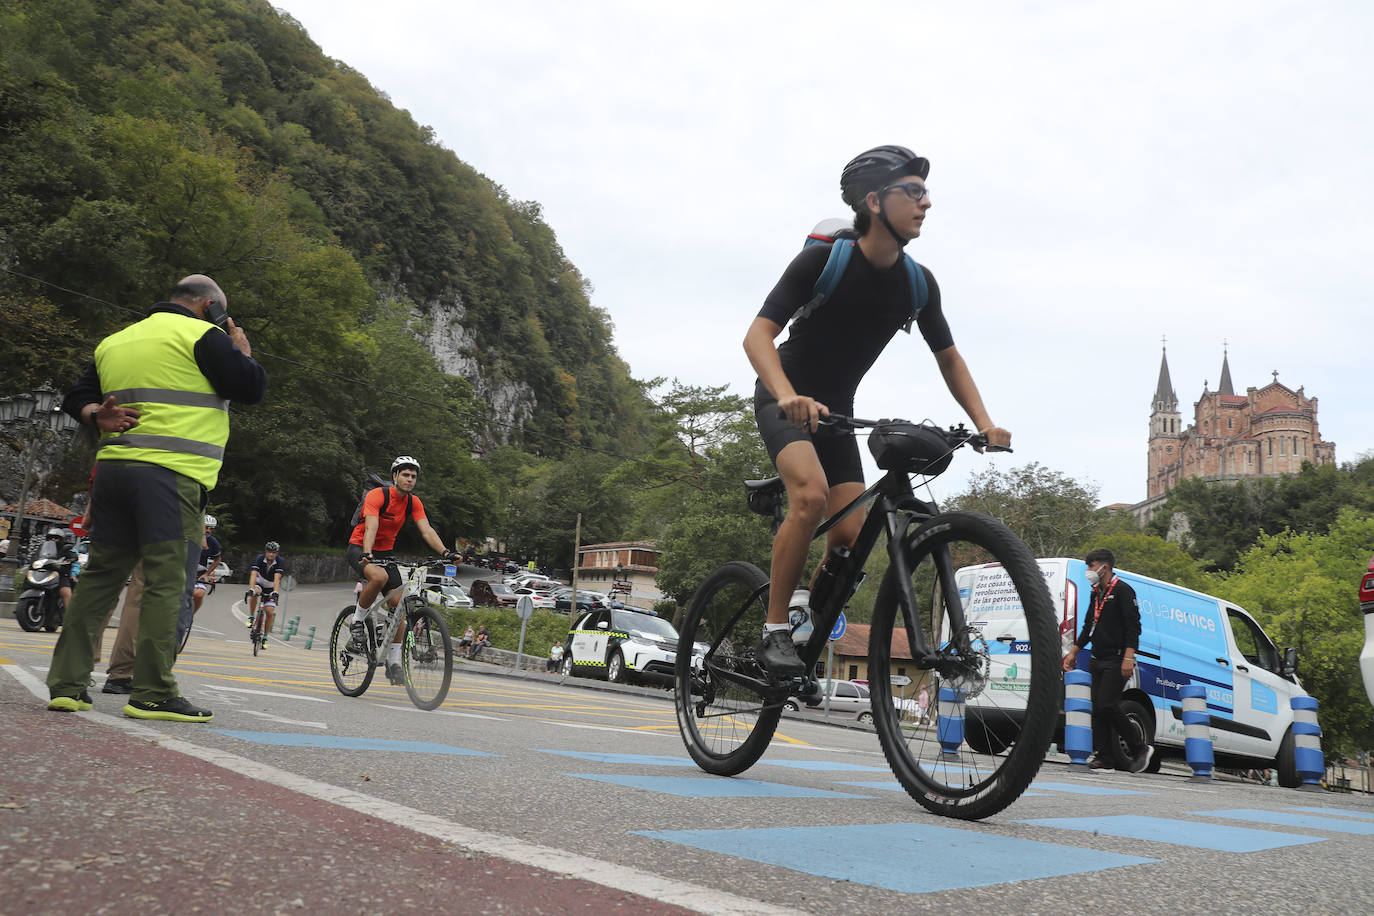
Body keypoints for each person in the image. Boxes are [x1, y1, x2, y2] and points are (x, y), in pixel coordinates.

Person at [743, 145, 1010, 679]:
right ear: (873, 200)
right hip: (786, 396)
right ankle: (773, 630)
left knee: (846, 541)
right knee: (812, 496)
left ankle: (807, 627)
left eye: (926, 192)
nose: (925, 202)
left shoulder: (917, 283)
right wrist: (788, 394)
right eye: (912, 191)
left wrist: (984, 422)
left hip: (836, 410)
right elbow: (758, 336)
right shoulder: (824, 260)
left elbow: (949, 358)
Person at [46, 274, 266, 722]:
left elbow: (78, 398)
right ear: (210, 306)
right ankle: (151, 692)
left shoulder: (117, 341)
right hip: (171, 478)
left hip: (112, 475)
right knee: (168, 584)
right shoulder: (204, 335)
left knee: (101, 578)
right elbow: (251, 387)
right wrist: (240, 348)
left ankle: (67, 685)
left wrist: (95, 415)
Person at [345, 456, 458, 685]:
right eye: (405, 475)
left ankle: (394, 665)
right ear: (395, 476)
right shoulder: (379, 496)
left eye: (413, 476)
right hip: (360, 547)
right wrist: (367, 552)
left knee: (399, 610)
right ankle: (357, 621)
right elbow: (371, 525)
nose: (410, 479)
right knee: (379, 576)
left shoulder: (413, 502)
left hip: (386, 554)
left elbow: (426, 530)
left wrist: (446, 553)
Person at [1061, 547, 1153, 773]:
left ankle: (1140, 746)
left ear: (1105, 567)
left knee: (1107, 704)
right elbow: (1087, 627)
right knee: (1098, 709)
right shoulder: (1096, 593)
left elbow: (1134, 627)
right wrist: (1073, 652)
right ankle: (1105, 757)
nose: (1089, 571)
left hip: (1118, 657)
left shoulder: (1123, 591)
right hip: (1097, 657)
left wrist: (1129, 657)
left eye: (1091, 566)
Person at [246, 540, 286, 649]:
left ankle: (265, 637)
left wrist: (276, 592)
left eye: (274, 552)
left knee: (269, 612)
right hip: (260, 583)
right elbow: (253, 574)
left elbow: (277, 578)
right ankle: (251, 616)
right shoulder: (259, 558)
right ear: (265, 552)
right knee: (254, 593)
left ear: (277, 553)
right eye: (269, 552)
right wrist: (251, 588)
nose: (271, 554)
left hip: (271, 587)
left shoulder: (280, 561)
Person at [191, 515, 221, 616]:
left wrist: (207, 574)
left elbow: (218, 559)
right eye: (206, 527)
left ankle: (190, 615)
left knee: (199, 594)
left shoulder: (213, 542)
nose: (208, 530)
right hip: (186, 568)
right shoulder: (191, 535)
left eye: (211, 528)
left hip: (200, 571)